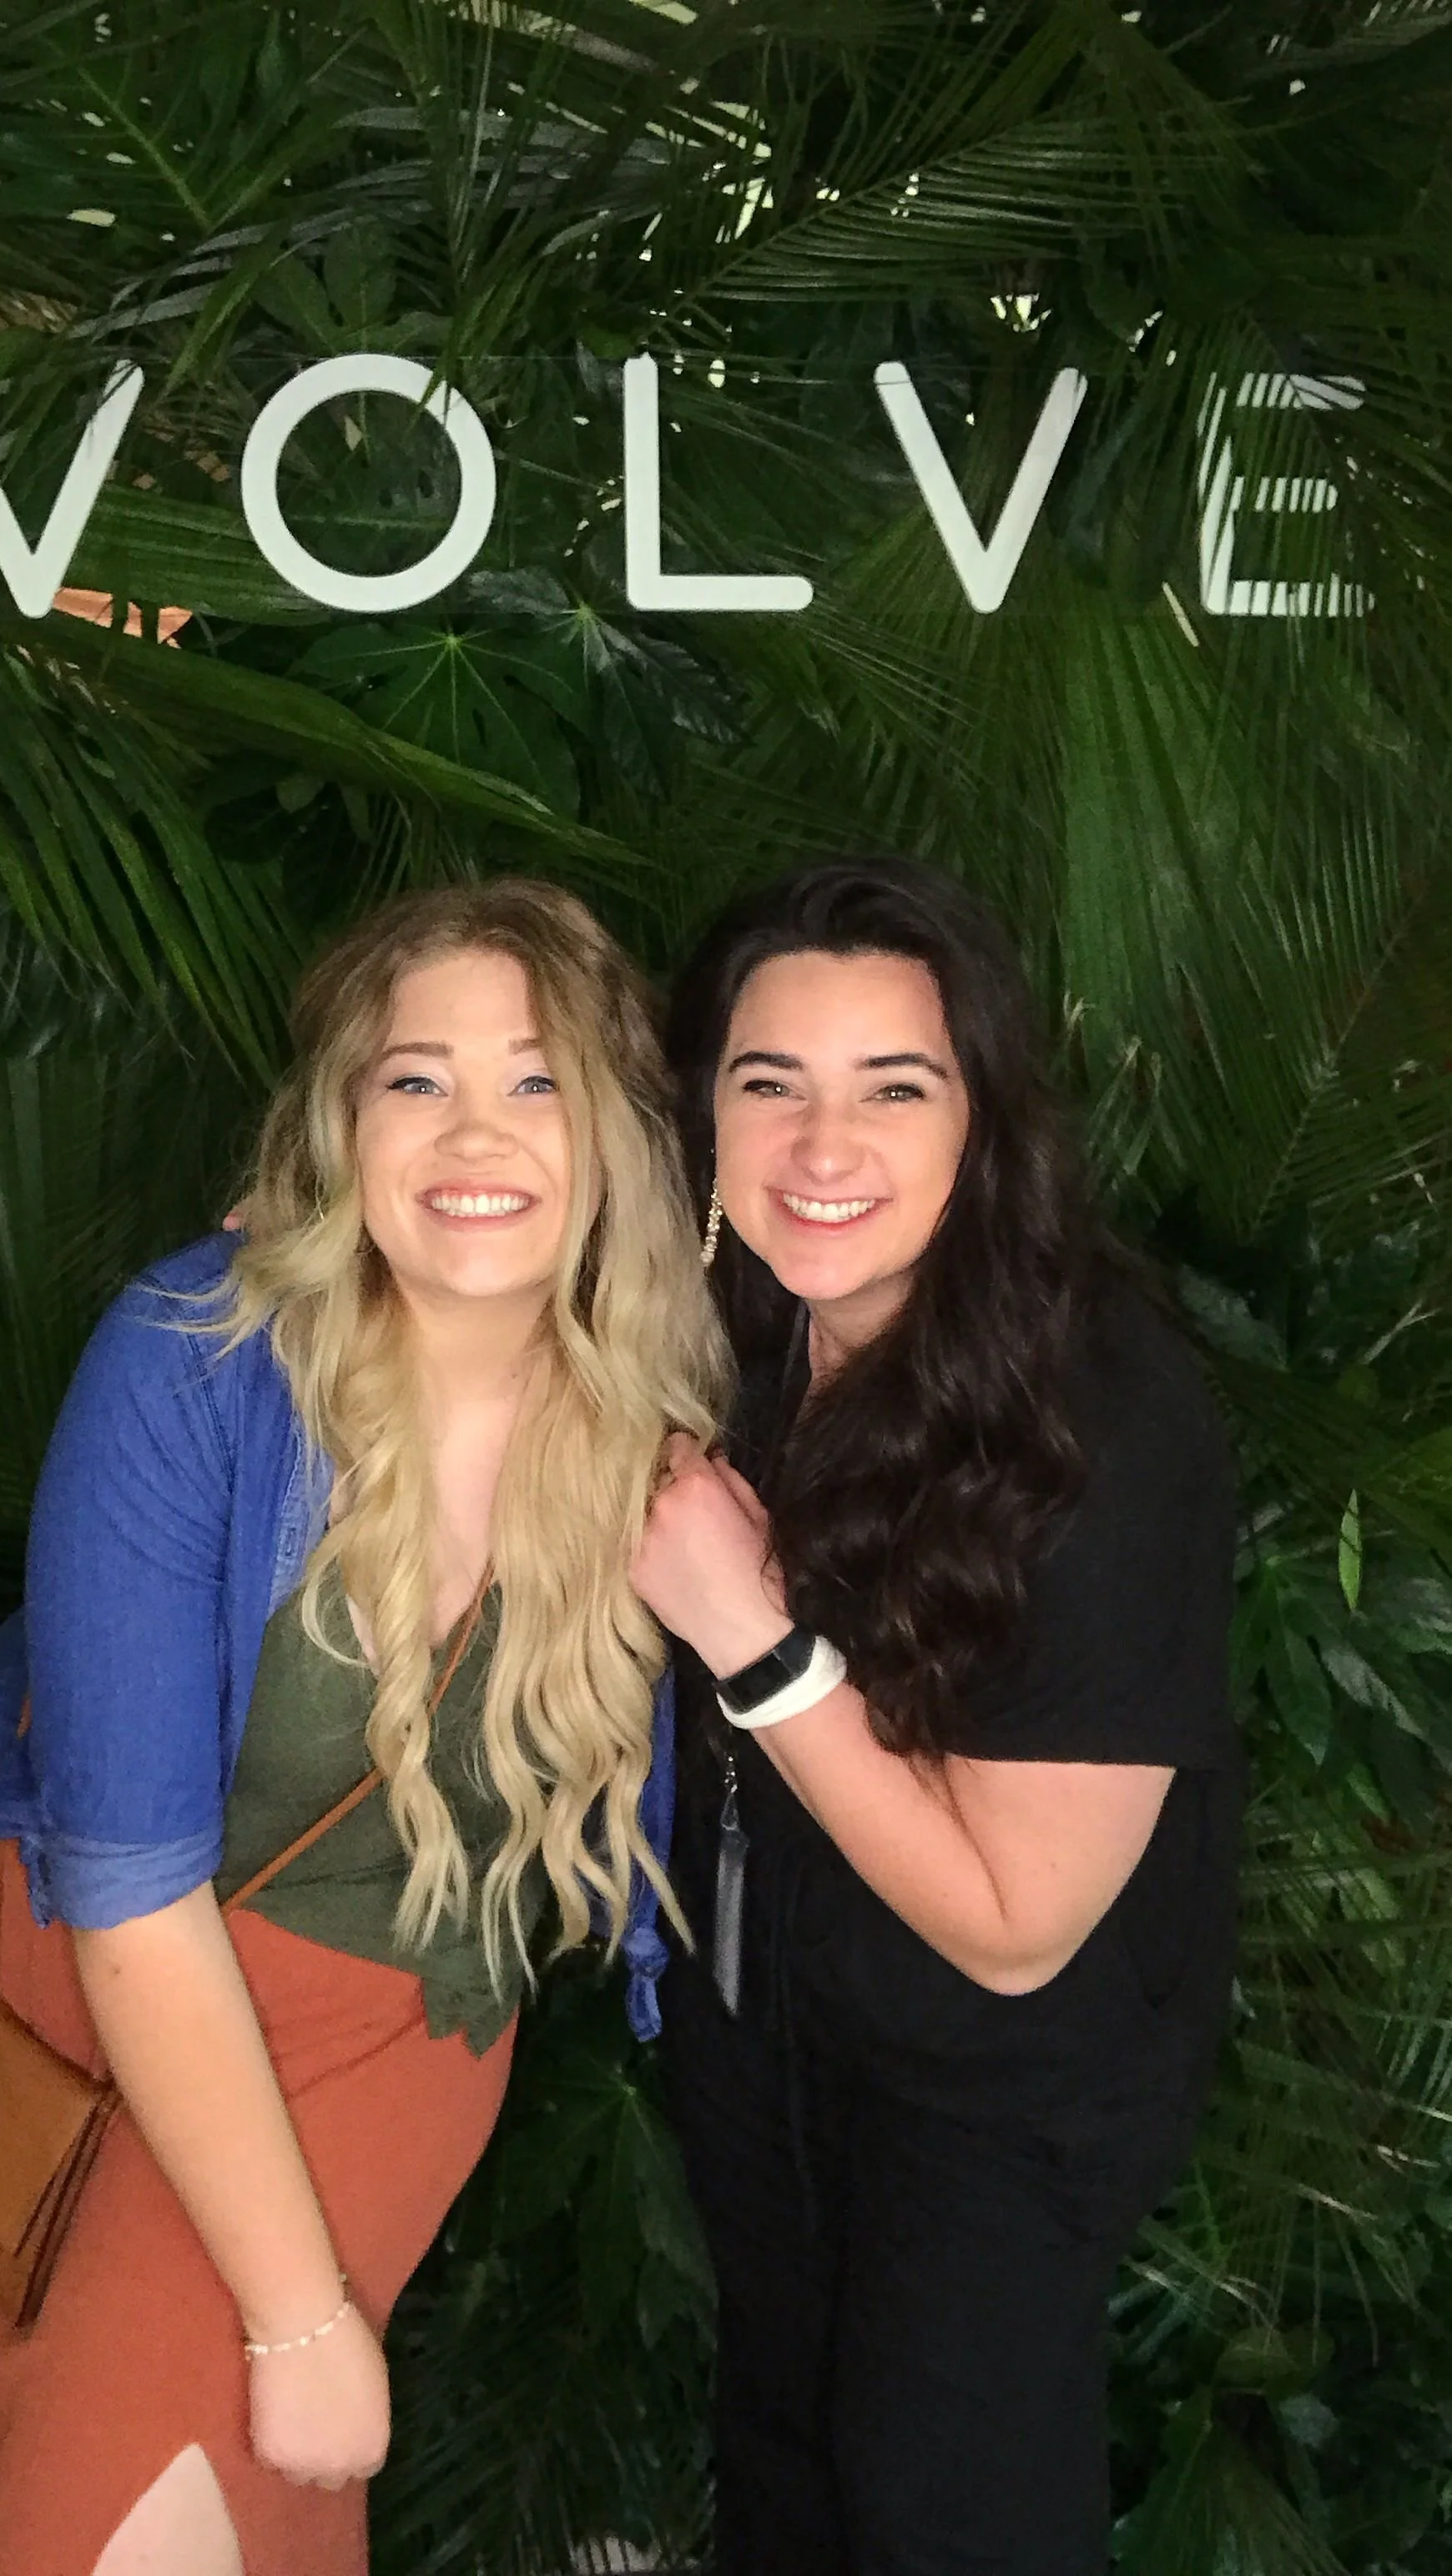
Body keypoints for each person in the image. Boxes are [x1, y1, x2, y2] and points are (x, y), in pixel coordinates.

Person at [0, 878, 723, 2576]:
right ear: (342, 1125)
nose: (473, 1128)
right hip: (89, 1967)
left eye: (538, 1076)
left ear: (621, 1138)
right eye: (415, 1076)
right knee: (80, 2512)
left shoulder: (667, 1405)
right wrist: (292, 2314)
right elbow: (127, 1884)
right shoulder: (198, 1360)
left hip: (385, 2023)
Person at [631, 856, 1243, 2576]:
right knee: (788, 2482)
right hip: (770, 2042)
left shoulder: (1104, 1414)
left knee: (936, 2507)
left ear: (983, 1117)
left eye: (894, 1087)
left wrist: (749, 1632)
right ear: (704, 1111)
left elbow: (1014, 1925)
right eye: (771, 1084)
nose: (825, 1149)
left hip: (994, 2095)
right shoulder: (740, 1324)